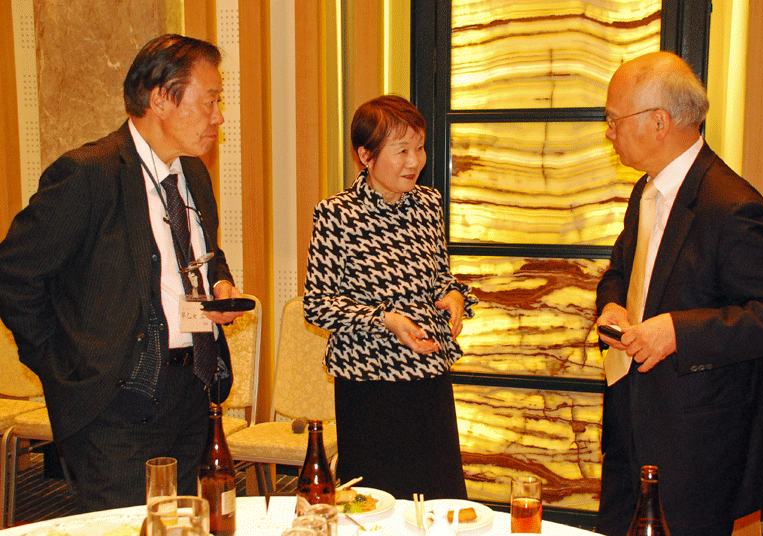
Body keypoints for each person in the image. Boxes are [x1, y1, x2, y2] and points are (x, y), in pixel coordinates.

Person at [0, 34, 245, 512]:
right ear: (161, 99)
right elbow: (14, 275)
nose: (218, 116)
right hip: (115, 403)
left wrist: (218, 282)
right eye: (211, 100)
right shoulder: (89, 173)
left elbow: (205, 252)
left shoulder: (193, 174)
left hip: (191, 391)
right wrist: (61, 364)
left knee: (184, 522)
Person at [594, 51, 763, 536]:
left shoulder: (731, 204)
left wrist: (678, 333)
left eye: (614, 119)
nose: (608, 132)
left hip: (695, 442)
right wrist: (613, 303)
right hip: (630, 421)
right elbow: (621, 269)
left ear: (659, 122)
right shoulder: (646, 190)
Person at [303, 95, 477, 500]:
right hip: (369, 384)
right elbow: (318, 304)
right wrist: (385, 320)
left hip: (429, 373)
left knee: (439, 496)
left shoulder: (428, 204)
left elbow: (437, 274)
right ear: (366, 155)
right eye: (401, 151)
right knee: (375, 501)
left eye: (420, 147)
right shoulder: (337, 215)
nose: (415, 161)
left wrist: (452, 294)